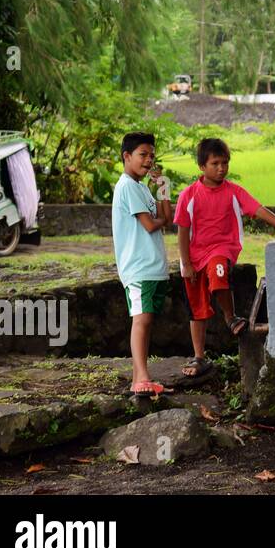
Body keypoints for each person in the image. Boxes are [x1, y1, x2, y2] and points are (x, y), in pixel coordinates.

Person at [173, 138, 275, 380]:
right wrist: (185, 263)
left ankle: (230, 317)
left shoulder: (233, 191)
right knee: (197, 311)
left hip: (222, 250)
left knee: (218, 274)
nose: (221, 168)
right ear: (201, 166)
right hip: (195, 257)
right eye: (215, 163)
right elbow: (183, 231)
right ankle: (199, 357)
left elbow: (259, 210)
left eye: (225, 163)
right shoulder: (189, 195)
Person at [111, 132, 172, 396]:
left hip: (153, 266)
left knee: (146, 321)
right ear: (127, 156)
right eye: (142, 155)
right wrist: (158, 220)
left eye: (152, 155)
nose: (148, 161)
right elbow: (150, 224)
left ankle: (140, 378)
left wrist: (163, 185)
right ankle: (141, 378)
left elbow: (166, 216)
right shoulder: (126, 185)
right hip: (138, 267)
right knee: (141, 321)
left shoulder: (140, 187)